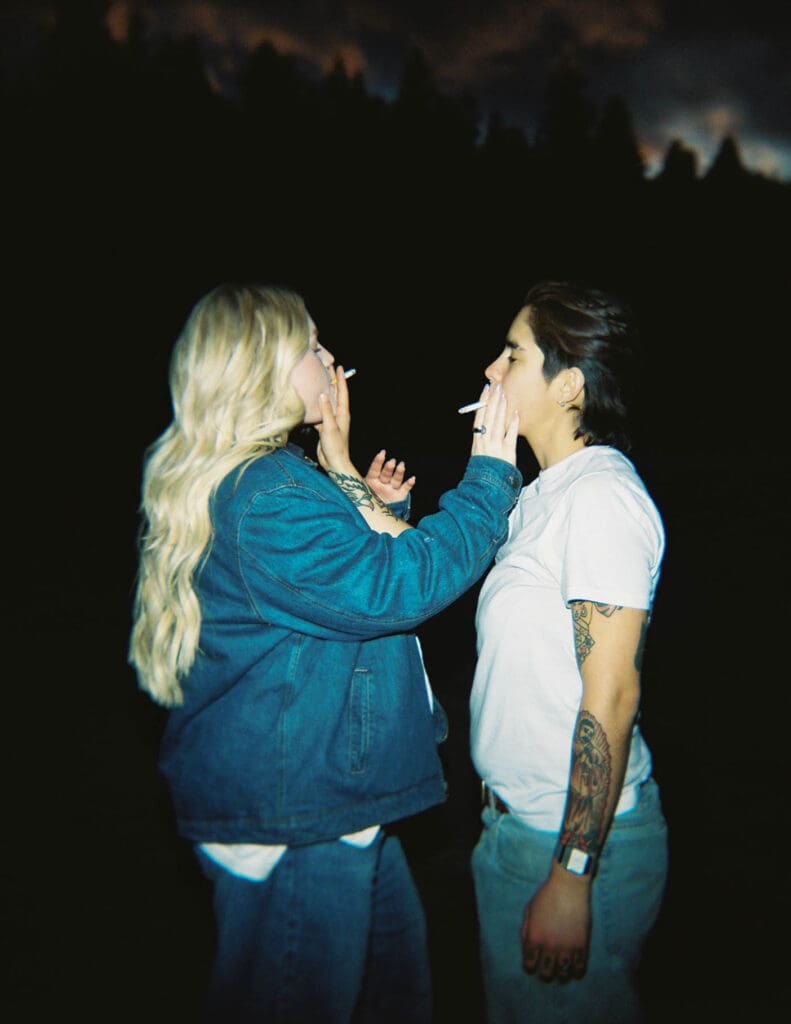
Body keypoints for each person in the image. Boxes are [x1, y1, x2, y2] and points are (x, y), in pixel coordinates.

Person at [128, 282, 521, 1024]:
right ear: (260, 369)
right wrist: (489, 480)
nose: (329, 356)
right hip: (296, 817)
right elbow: (394, 588)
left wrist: (356, 485)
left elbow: (339, 578)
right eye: (311, 345)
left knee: (393, 1000)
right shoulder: (266, 492)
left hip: (329, 800)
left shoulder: (271, 476)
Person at [469, 281, 668, 1024]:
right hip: (514, 830)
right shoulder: (540, 494)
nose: (491, 370)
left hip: (571, 845)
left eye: (513, 354)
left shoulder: (599, 498)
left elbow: (611, 694)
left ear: (569, 384)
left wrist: (572, 874)